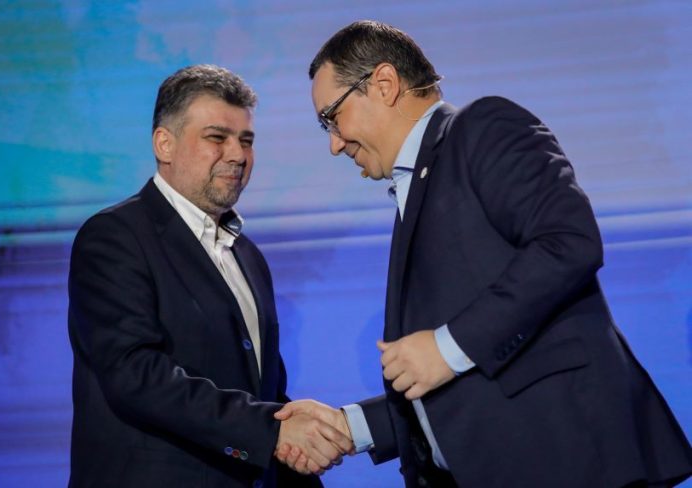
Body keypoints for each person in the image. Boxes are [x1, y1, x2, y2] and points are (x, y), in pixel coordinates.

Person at [275, 20, 692, 487]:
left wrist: (448, 346)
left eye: (332, 117)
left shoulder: (483, 128)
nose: (334, 144)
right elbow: (461, 379)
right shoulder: (415, 190)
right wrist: (353, 427)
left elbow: (567, 241)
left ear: (384, 84)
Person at [67, 64, 351, 488]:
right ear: (164, 144)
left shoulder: (249, 257)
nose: (237, 155)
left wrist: (301, 438)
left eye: (246, 141)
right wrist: (273, 431)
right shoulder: (114, 237)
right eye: (217, 138)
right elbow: (136, 374)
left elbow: (261, 392)